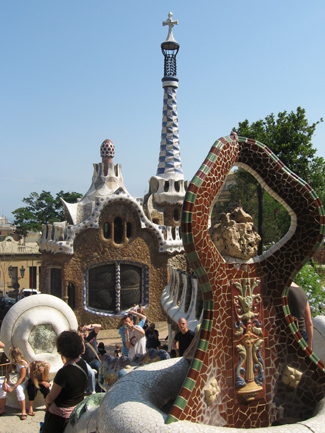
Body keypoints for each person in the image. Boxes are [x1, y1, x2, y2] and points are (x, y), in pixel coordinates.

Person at [42, 330, 88, 433]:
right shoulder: (82, 363)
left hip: (61, 416)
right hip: (77, 409)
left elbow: (51, 397)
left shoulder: (63, 373)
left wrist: (47, 401)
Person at [0, 347, 29, 419]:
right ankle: (2, 409)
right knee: (1, 388)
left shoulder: (22, 363)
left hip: (22, 381)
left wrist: (13, 388)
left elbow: (22, 378)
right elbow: (8, 372)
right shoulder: (12, 362)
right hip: (14, 379)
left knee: (19, 389)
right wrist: (5, 382)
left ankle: (23, 411)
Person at [288, 282, 313, 347]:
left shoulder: (285, 291)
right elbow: (309, 322)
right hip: (303, 335)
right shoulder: (301, 291)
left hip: (291, 335)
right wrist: (309, 346)